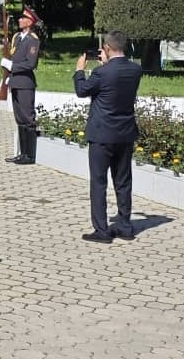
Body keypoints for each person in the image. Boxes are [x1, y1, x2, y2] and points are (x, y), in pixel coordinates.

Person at [73, 30, 142, 243]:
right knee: (123, 181)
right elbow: (115, 84)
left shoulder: (101, 73)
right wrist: (106, 65)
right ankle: (125, 226)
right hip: (125, 133)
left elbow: (82, 90)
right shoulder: (135, 70)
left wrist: (79, 70)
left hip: (102, 134)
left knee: (99, 182)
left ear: (108, 49)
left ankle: (101, 231)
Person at [2, 7, 42, 164]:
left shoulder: (33, 40)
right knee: (19, 118)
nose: (19, 20)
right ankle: (22, 153)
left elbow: (30, 63)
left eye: (22, 18)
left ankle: (30, 155)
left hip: (25, 82)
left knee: (27, 118)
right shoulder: (18, 37)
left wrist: (12, 67)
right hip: (16, 81)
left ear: (29, 22)